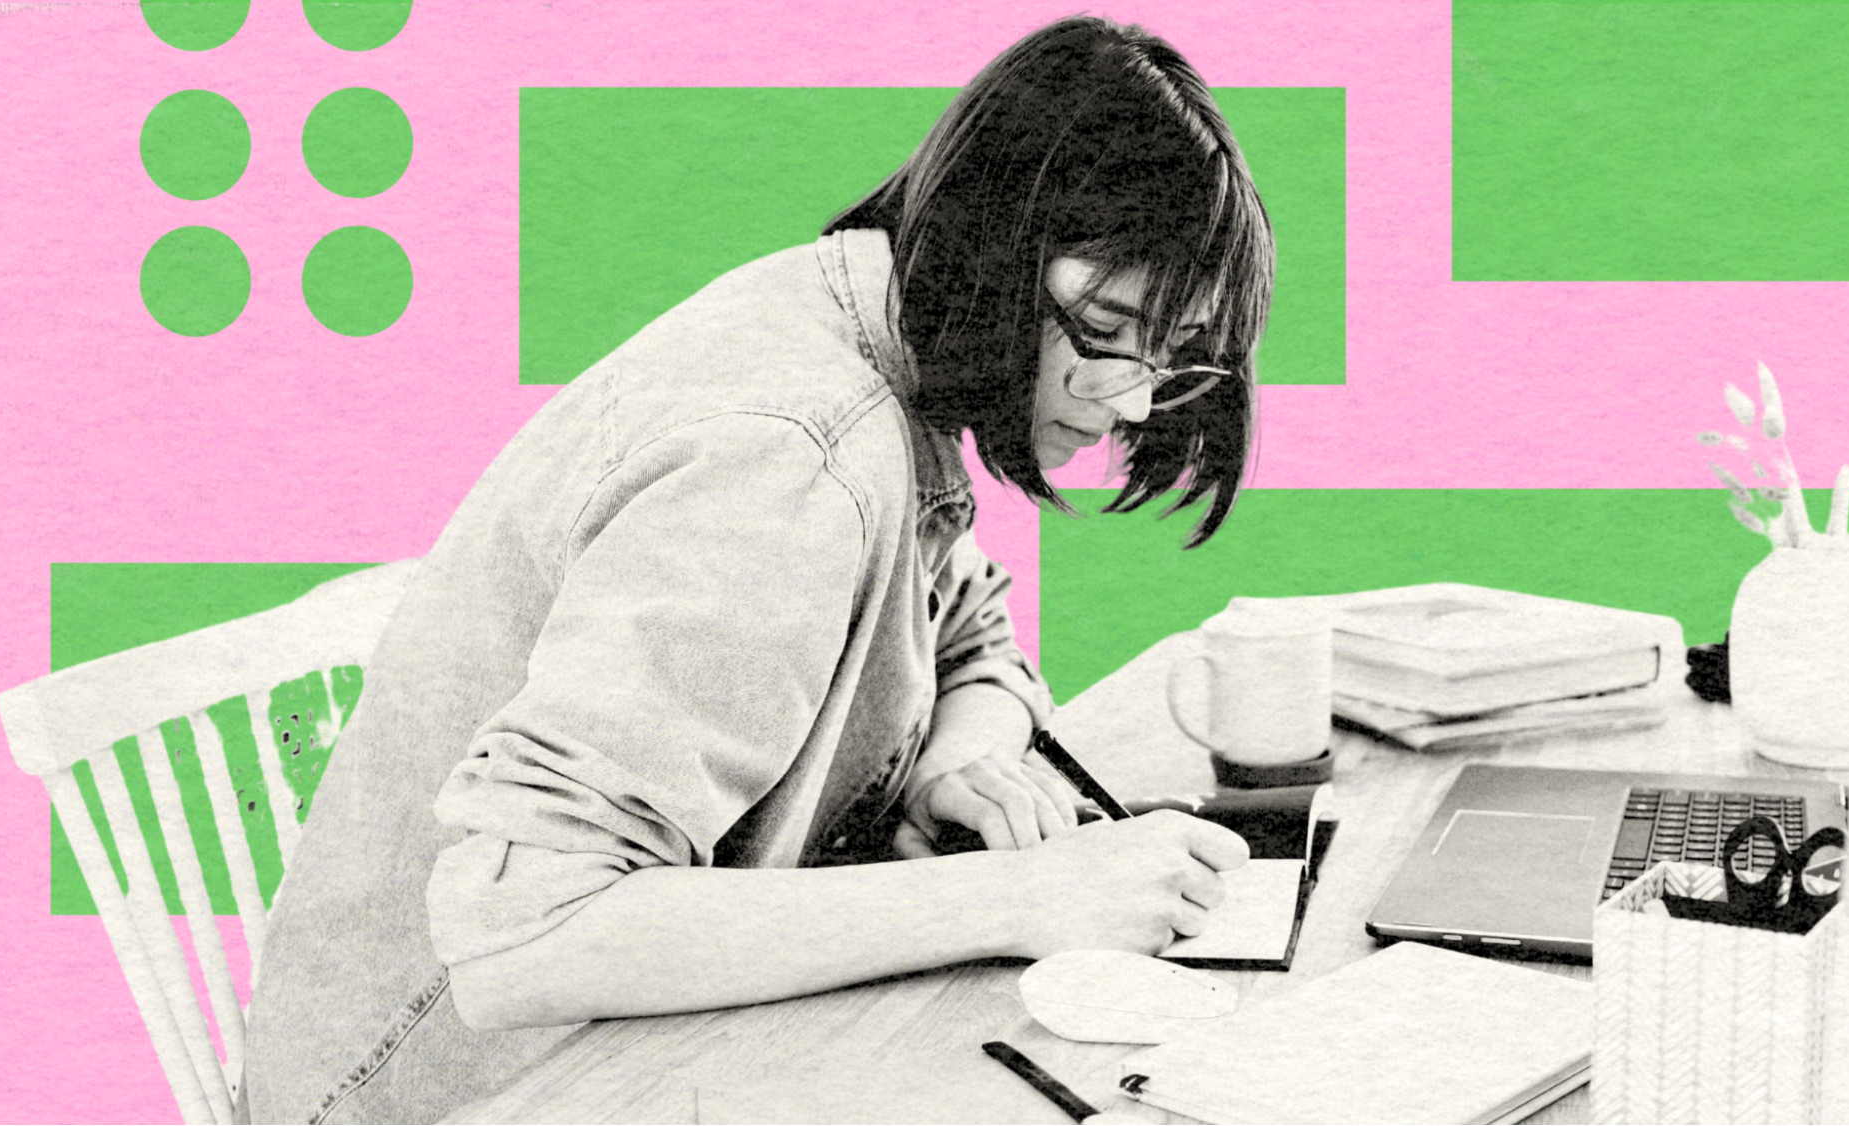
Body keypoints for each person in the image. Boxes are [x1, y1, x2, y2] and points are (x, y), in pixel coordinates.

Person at [237, 15, 1274, 1124]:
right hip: (455, 1088)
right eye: (1108, 330)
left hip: (654, 1045)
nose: (1128, 401)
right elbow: (521, 934)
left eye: (1171, 357)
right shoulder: (792, 457)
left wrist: (955, 765)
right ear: (992, 239)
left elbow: (970, 628)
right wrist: (1015, 893)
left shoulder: (874, 329)